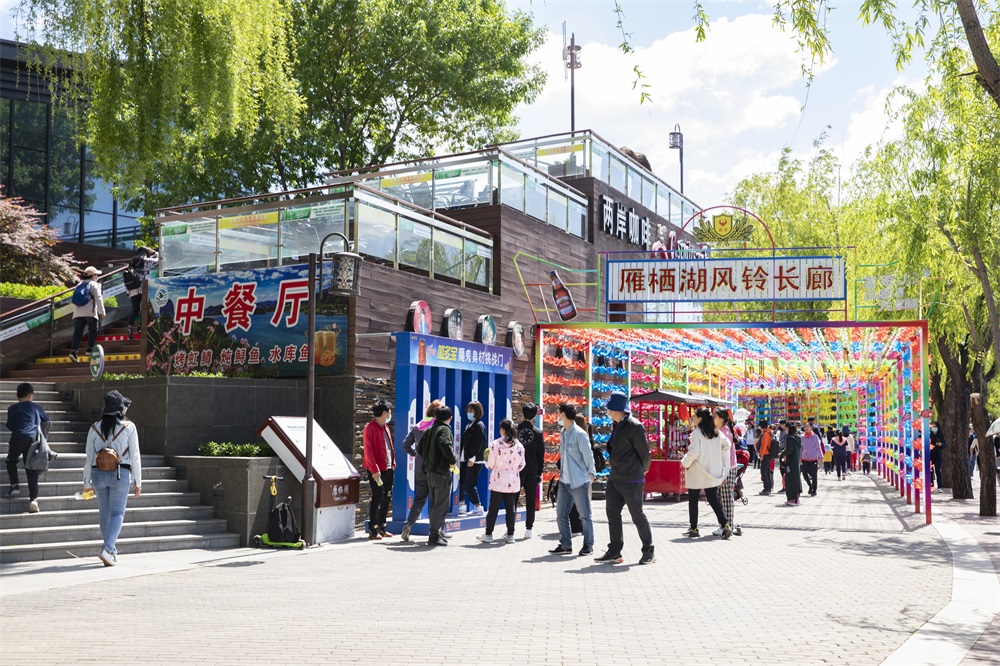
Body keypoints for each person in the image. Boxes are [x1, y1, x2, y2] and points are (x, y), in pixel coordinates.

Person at [83, 390, 141, 566]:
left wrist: (86, 483)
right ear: (120, 409)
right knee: (117, 513)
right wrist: (137, 481)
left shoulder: (94, 428)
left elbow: (89, 458)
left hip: (97, 474)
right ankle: (108, 550)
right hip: (120, 474)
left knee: (104, 514)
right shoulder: (129, 427)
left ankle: (110, 551)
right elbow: (135, 456)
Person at [595, 392, 654, 564]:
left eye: (610, 409)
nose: (608, 412)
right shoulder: (617, 425)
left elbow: (645, 453)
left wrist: (644, 469)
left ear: (617, 409)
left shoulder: (634, 426)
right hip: (616, 477)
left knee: (637, 516)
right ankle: (615, 551)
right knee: (612, 513)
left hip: (631, 479)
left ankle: (648, 550)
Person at [549, 404, 595, 556]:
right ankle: (565, 544)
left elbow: (588, 455)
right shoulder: (563, 432)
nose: (557, 416)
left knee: (584, 515)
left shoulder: (579, 434)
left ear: (563, 415)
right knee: (561, 514)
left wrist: (591, 473)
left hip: (579, 481)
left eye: (558, 413)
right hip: (564, 481)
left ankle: (588, 545)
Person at [681, 407, 732, 539]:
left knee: (693, 500)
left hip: (697, 471)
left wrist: (684, 462)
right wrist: (717, 458)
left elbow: (693, 453)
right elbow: (727, 445)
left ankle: (694, 528)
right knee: (713, 499)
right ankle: (725, 524)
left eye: (694, 416)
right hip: (712, 471)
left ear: (700, 419)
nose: (692, 418)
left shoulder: (697, 433)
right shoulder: (715, 431)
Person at [400, 399, 443, 542]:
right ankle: (437, 531)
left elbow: (405, 445)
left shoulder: (417, 426)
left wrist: (415, 454)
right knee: (437, 500)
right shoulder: (437, 427)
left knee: (419, 499)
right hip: (434, 469)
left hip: (419, 468)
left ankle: (409, 524)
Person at [4, 382, 51, 512]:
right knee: (31, 468)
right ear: (30, 395)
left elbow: (10, 425)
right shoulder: (36, 407)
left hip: (17, 437)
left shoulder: (13, 408)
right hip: (32, 439)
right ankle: (34, 500)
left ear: (17, 395)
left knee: (11, 461)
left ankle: (14, 485)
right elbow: (47, 420)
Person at [478, 419, 526, 544]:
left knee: (493, 508)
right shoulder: (519, 446)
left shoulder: (495, 444)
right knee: (511, 509)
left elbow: (490, 464)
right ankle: (510, 535)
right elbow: (522, 464)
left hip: (498, 480)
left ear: (502, 429)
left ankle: (488, 534)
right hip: (512, 481)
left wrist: (489, 464)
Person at [416, 406, 457, 546]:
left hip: (429, 472)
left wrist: (429, 459)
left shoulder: (429, 429)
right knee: (441, 504)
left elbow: (419, 448)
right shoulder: (444, 429)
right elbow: (445, 444)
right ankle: (434, 535)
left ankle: (438, 531)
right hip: (440, 472)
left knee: (435, 503)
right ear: (450, 418)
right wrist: (452, 460)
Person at [362, 400, 395, 540]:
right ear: (384, 413)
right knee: (377, 497)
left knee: (387, 496)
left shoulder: (385, 426)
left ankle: (382, 526)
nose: (390, 414)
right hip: (377, 470)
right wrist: (374, 470)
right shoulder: (370, 428)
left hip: (388, 467)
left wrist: (393, 463)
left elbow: (389, 447)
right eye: (389, 412)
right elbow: (368, 451)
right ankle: (373, 529)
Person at [516, 402, 545, 539]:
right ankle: (529, 528)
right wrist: (540, 471)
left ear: (522, 413)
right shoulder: (538, 432)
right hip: (532, 470)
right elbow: (540, 454)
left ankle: (510, 528)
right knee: (530, 499)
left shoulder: (515, 429)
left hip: (516, 469)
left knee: (513, 499)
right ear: (534, 416)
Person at [69, 266, 106, 363]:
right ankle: (89, 349)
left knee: (77, 333)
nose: (97, 276)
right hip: (90, 312)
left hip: (77, 314)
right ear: (93, 276)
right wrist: (102, 312)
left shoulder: (79, 284)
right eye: (96, 275)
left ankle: (73, 352)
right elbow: (99, 298)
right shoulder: (94, 284)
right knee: (93, 331)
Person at [714, 407, 740, 537]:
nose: (713, 419)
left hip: (727, 469)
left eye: (715, 417)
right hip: (725, 468)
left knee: (726, 499)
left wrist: (724, 473)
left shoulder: (724, 432)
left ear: (722, 419)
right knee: (721, 498)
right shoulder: (722, 431)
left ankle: (727, 525)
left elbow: (724, 455)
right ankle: (725, 524)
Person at [124, 247, 159, 337]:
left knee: (135, 310)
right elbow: (158, 261)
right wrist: (155, 253)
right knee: (144, 309)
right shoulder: (145, 261)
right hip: (143, 288)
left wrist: (128, 293)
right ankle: (140, 327)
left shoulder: (132, 262)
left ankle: (130, 326)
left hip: (132, 290)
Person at [459, 401, 487, 515]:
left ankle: (478, 506)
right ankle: (462, 505)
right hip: (466, 459)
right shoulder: (469, 425)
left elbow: (478, 443)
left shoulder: (479, 426)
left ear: (477, 411)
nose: (469, 413)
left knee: (469, 485)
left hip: (474, 461)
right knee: (463, 482)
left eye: (471, 410)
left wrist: (472, 458)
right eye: (468, 410)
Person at [800, 423, 824, 496]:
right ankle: (810, 485)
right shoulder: (802, 437)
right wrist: (800, 457)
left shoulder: (815, 437)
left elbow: (818, 447)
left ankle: (814, 490)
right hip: (805, 458)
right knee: (804, 474)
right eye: (805, 427)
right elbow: (801, 448)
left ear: (811, 428)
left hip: (813, 458)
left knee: (814, 475)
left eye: (808, 426)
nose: (806, 428)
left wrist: (821, 457)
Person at [781, 423, 802, 506]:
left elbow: (789, 450)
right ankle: (796, 498)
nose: (785, 429)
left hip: (791, 462)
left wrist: (782, 453)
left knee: (790, 480)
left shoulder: (790, 439)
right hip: (796, 461)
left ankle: (792, 498)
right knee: (796, 479)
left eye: (786, 428)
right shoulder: (797, 438)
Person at [756, 420, 776, 496]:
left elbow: (764, 446)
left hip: (765, 454)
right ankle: (768, 487)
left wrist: (761, 455)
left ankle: (766, 488)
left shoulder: (765, 434)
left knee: (764, 472)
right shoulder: (768, 432)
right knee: (766, 471)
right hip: (767, 454)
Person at [929, 421, 946, 491]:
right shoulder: (929, 435)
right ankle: (931, 485)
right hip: (930, 456)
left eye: (935, 426)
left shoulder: (940, 435)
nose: (934, 428)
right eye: (933, 426)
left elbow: (944, 445)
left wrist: (941, 444)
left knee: (938, 471)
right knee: (930, 471)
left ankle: (939, 486)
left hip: (938, 456)